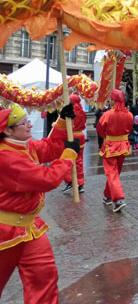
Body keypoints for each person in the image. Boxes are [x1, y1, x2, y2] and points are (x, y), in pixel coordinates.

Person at [0, 102, 79, 303]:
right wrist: (69, 156)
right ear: (8, 130)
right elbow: (46, 179)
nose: (30, 126)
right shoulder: (5, 157)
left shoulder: (26, 146)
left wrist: (62, 121)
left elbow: (50, 147)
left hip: (29, 229)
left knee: (45, 278)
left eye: (28, 122)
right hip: (4, 232)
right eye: (24, 124)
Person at [96, 89, 133, 213]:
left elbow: (100, 129)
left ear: (113, 101)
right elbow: (130, 128)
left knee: (112, 173)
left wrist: (107, 135)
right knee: (115, 173)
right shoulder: (129, 114)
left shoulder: (107, 114)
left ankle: (117, 199)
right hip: (123, 145)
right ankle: (107, 196)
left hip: (111, 145)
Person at [62, 93, 87, 195]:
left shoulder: (70, 112)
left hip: (72, 136)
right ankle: (80, 183)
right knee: (79, 161)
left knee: (67, 159)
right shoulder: (82, 112)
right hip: (81, 136)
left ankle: (70, 182)